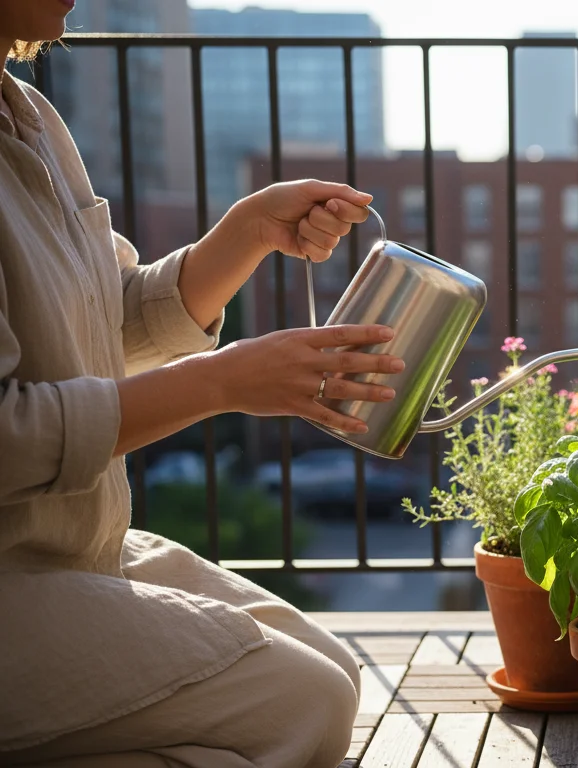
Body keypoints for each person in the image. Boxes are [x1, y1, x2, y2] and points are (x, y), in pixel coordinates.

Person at [1, 3, 405, 765]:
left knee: (334, 675)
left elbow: (102, 326)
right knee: (301, 708)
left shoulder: (30, 114)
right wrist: (221, 383)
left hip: (72, 549)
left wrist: (249, 231)